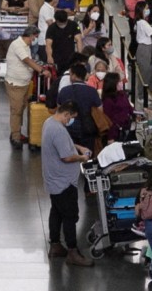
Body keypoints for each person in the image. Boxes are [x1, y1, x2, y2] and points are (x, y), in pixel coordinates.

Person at [41, 101, 94, 267]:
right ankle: (73, 252)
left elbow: (65, 145)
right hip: (63, 181)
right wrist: (82, 157)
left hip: (54, 180)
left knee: (56, 211)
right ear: (66, 114)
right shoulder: (57, 130)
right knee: (70, 216)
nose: (70, 121)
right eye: (71, 118)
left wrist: (77, 147)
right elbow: (66, 157)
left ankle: (55, 245)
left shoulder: (50, 122)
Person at [4, 26, 47, 148]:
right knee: (16, 110)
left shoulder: (26, 46)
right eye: (35, 37)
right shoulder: (18, 45)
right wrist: (41, 70)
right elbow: (27, 60)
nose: (35, 39)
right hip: (15, 84)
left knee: (21, 108)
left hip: (24, 83)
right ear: (31, 35)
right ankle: (15, 136)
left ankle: (17, 132)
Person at [56, 63, 103, 152]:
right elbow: (100, 110)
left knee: (70, 153)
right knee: (88, 155)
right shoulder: (92, 91)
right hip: (88, 129)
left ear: (73, 75)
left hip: (68, 128)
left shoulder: (64, 91)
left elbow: (59, 110)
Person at [101, 73, 134, 142]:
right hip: (115, 133)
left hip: (126, 128)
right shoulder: (108, 100)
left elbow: (129, 108)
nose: (121, 83)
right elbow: (108, 120)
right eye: (119, 81)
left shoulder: (122, 95)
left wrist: (137, 114)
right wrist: (110, 137)